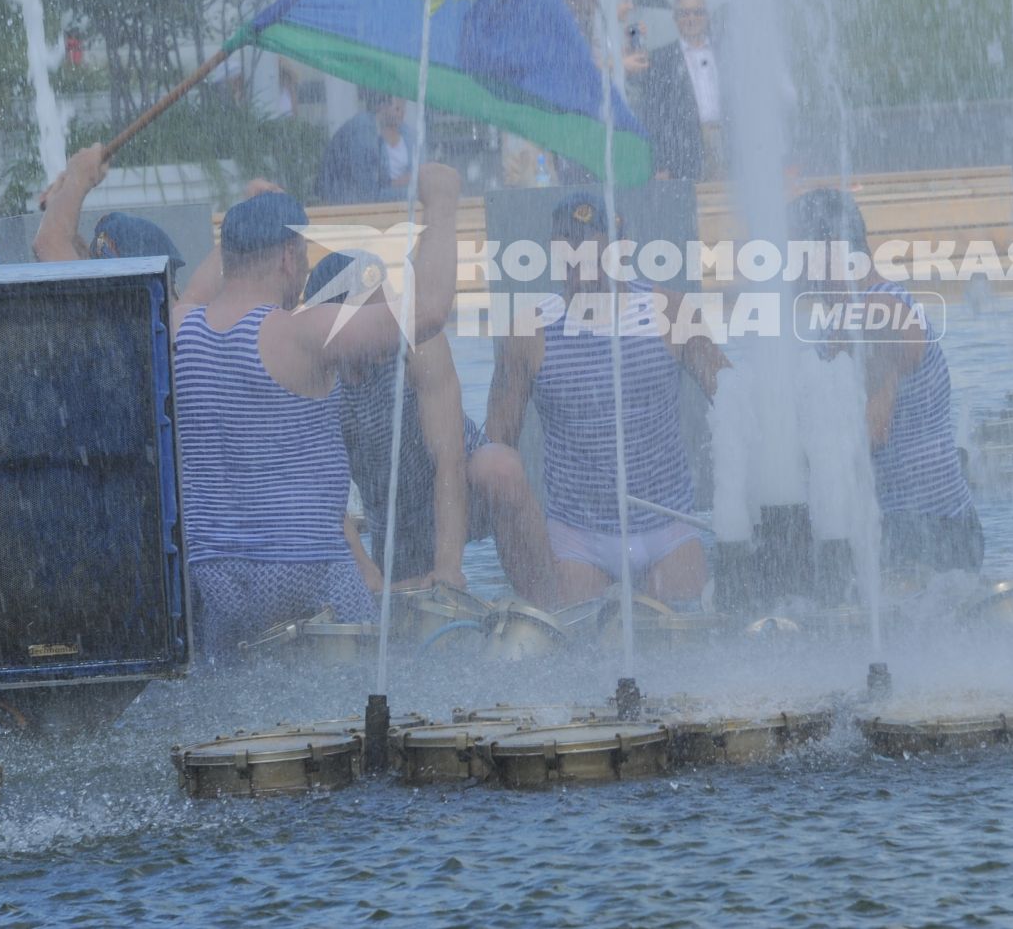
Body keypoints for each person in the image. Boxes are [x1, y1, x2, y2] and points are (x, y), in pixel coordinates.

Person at [171, 167, 461, 656]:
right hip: (305, 571)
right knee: (366, 685)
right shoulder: (300, 335)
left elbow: (200, 289)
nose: (305, 274)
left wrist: (250, 220)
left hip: (212, 579)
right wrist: (442, 204)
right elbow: (429, 310)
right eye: (302, 259)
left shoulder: (179, 329)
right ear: (288, 257)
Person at [485, 193, 726, 605]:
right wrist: (519, 553)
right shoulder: (528, 332)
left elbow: (732, 401)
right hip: (577, 537)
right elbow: (494, 451)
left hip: (668, 526)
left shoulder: (670, 312)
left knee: (685, 637)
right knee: (580, 647)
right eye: (572, 252)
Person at [302, 252, 559, 606]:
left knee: (500, 467)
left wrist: (448, 568)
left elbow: (449, 462)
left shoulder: (417, 342)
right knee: (401, 629)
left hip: (463, 491)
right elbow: (321, 492)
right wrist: (365, 569)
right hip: (396, 522)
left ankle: (547, 606)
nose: (392, 321)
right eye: (378, 316)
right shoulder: (315, 378)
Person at [788, 188, 982, 575]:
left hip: (923, 537)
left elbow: (871, 429)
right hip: (914, 528)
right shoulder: (852, 316)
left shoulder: (879, 313)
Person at [33, 142, 190, 281]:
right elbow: (72, 265)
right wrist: (57, 205)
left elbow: (49, 244)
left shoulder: (114, 308)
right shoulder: (154, 306)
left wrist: (80, 177)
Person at [635, 0, 716, 180]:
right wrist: (661, 163)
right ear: (675, 19)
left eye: (697, 12)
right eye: (684, 14)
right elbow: (654, 114)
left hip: (727, 141)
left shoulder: (726, 53)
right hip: (685, 149)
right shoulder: (663, 60)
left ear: (707, 15)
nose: (691, 19)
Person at [317, 90, 417, 204]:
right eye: (397, 108)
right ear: (381, 106)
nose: (402, 112)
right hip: (344, 205)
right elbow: (368, 194)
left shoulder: (404, 133)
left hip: (367, 203)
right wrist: (410, 190)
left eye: (404, 107)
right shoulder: (362, 132)